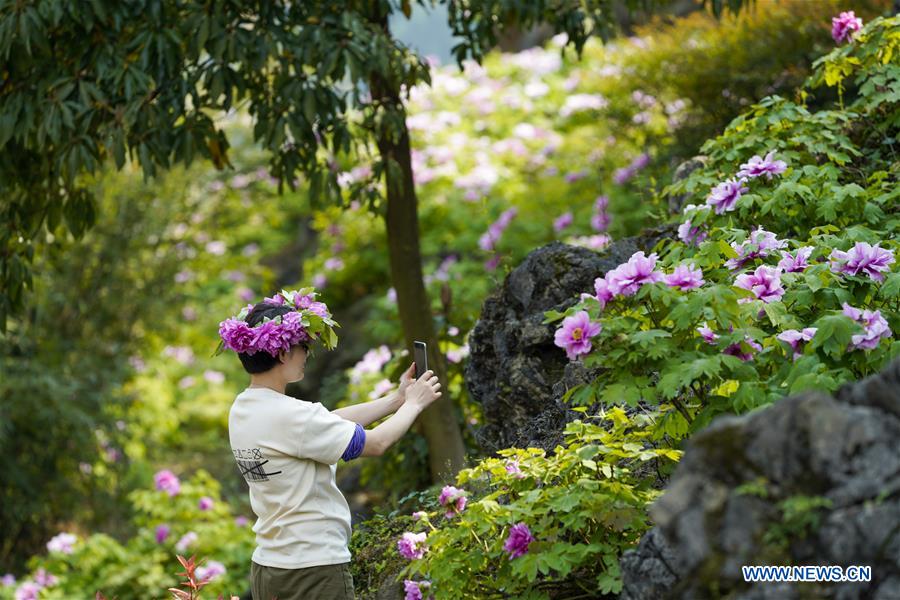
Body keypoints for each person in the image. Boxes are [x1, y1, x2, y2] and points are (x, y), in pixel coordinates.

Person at [218, 288, 442, 600]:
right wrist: (415, 404)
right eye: (303, 346)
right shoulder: (293, 417)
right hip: (313, 569)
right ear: (282, 353)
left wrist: (396, 400)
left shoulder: (244, 408)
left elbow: (323, 423)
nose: (307, 354)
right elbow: (377, 443)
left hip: (268, 567)